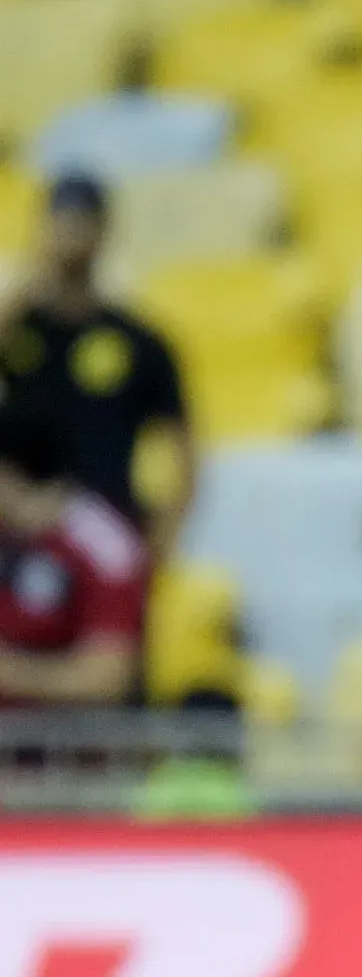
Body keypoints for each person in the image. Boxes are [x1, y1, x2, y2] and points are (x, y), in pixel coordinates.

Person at [0, 175, 194, 555]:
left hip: (107, 526)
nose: (71, 233)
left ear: (106, 230)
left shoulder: (138, 341)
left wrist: (164, 533)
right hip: (20, 526)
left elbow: (184, 447)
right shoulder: (17, 331)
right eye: (61, 220)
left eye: (82, 220)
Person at [0, 414, 146, 709]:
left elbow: (106, 676)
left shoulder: (106, 547)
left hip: (61, 747)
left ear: (10, 474)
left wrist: (13, 673)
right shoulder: (10, 532)